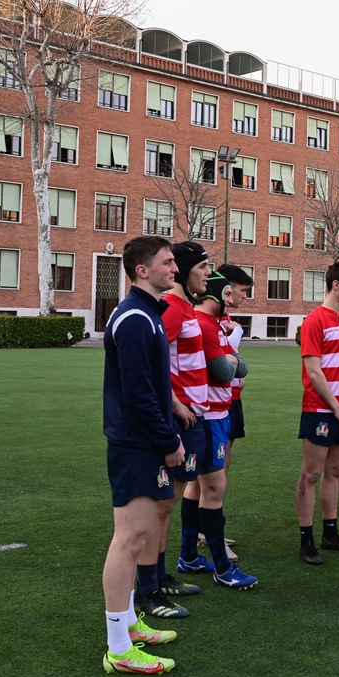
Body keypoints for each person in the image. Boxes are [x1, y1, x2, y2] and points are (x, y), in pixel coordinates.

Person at [101, 235, 182, 675]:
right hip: (135, 444)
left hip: (142, 441)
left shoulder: (147, 314)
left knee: (137, 533)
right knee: (129, 539)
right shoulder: (135, 318)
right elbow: (139, 394)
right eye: (167, 263)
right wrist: (167, 442)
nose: (174, 269)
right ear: (141, 270)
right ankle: (118, 649)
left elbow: (153, 389)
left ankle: (129, 623)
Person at [142, 241, 209, 620]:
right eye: (202, 267)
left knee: (170, 500)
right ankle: (148, 586)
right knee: (162, 502)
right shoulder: (170, 310)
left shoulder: (187, 308)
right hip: (179, 420)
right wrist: (177, 405)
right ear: (184, 271)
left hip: (192, 418)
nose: (207, 274)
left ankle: (161, 575)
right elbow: (153, 364)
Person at [189, 272, 258, 590]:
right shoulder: (204, 323)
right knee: (213, 488)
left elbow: (238, 366)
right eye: (238, 291)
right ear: (224, 292)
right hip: (209, 416)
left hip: (218, 413)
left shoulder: (216, 324)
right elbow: (223, 371)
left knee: (202, 487)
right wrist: (231, 362)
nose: (240, 297)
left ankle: (188, 556)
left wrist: (232, 361)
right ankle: (222, 567)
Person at [296, 261, 339, 565]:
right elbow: (314, 371)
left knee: (335, 471)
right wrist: (336, 407)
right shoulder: (314, 320)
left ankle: (330, 533)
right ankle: (306, 540)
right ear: (335, 285)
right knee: (310, 474)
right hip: (320, 410)